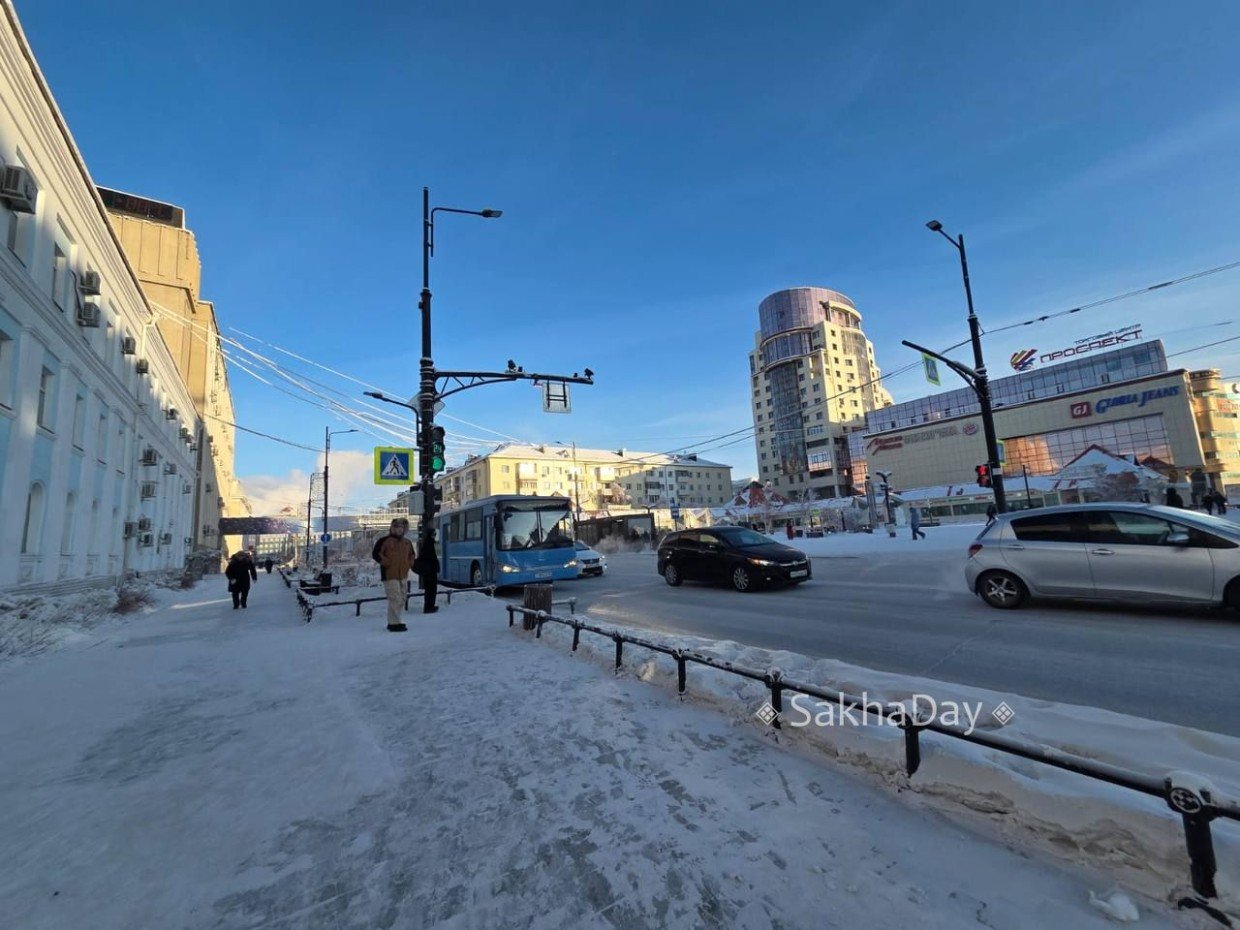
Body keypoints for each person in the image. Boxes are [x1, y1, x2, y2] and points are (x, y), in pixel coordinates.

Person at [372, 517, 415, 632]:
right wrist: (386, 562)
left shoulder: (407, 542)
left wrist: (409, 564)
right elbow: (376, 554)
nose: (399, 530)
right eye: (396, 527)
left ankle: (394, 621)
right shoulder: (384, 541)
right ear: (392, 528)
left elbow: (412, 555)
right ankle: (395, 623)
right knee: (395, 598)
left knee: (402, 598)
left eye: (401, 527)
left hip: (403, 574)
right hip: (389, 574)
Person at [413, 529, 440, 614]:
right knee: (431, 589)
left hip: (428, 570)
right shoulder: (430, 543)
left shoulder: (427, 543)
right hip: (430, 571)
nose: (435, 536)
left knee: (430, 589)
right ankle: (429, 607)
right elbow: (431, 557)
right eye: (434, 534)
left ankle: (429, 606)